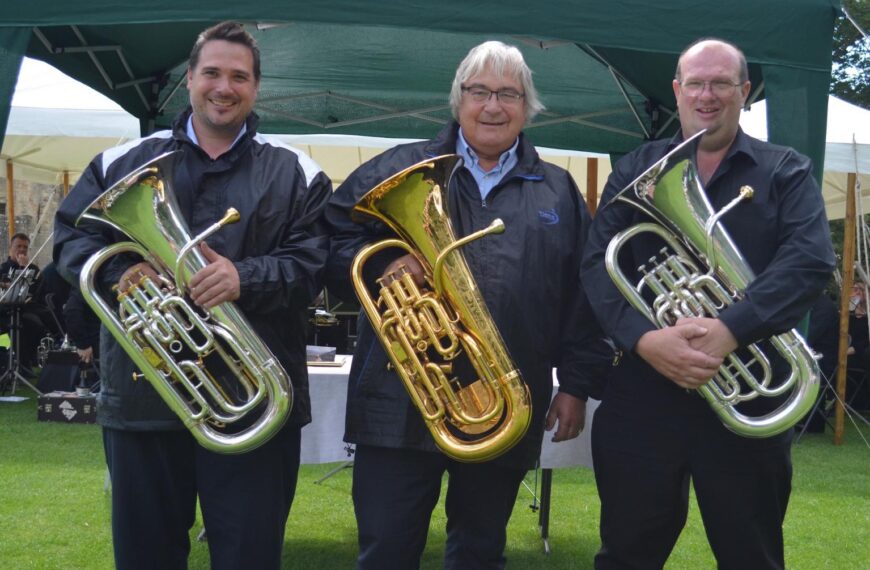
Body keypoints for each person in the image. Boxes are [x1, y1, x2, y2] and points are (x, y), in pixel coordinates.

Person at [53, 21, 331, 570]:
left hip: (253, 404)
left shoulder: (296, 170)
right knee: (145, 557)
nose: (224, 87)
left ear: (256, 87)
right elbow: (72, 238)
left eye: (239, 77)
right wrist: (122, 272)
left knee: (249, 556)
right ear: (189, 80)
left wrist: (244, 277)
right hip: (142, 399)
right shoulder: (121, 161)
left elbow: (315, 262)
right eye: (212, 73)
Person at [324, 40, 608, 569]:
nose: (492, 106)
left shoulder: (558, 191)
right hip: (399, 397)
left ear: (527, 106)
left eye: (508, 94)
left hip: (504, 400)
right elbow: (327, 239)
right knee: (386, 551)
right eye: (479, 92)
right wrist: (383, 264)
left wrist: (575, 384)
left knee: (479, 551)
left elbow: (584, 297)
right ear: (458, 100)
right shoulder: (400, 166)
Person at [580, 38, 836, 569]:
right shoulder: (635, 169)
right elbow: (596, 265)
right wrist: (646, 340)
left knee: (751, 555)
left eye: (721, 83)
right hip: (645, 393)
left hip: (748, 393)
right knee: (626, 553)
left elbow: (809, 261)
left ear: (745, 92)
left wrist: (729, 329)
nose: (707, 95)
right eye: (696, 83)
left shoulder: (785, 170)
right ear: (678, 91)